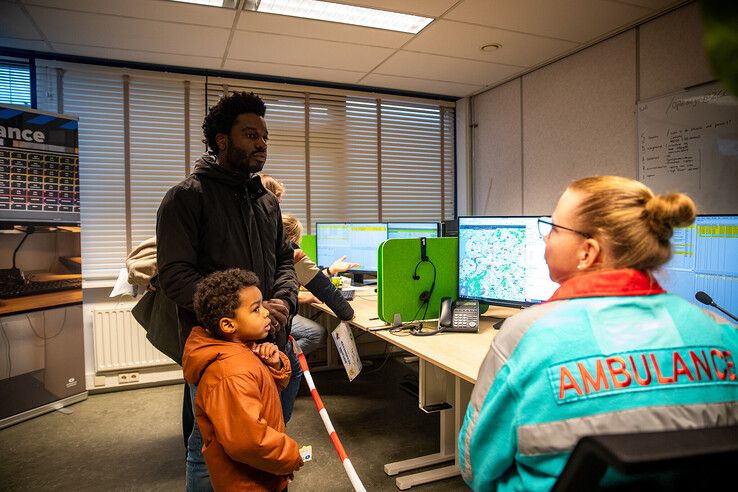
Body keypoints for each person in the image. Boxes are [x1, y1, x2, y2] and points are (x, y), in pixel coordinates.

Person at [458, 175, 738, 492]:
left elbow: (475, 466)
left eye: (553, 228)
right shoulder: (723, 333)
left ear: (587, 252)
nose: (546, 239)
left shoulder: (524, 336)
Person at [156, 91, 299, 491]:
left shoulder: (267, 203)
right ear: (222, 140)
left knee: (267, 433)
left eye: (265, 136)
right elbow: (175, 275)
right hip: (220, 350)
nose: (261, 144)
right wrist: (239, 313)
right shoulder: (186, 197)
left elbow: (285, 263)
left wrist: (282, 303)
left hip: (271, 341)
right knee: (211, 448)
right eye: (250, 134)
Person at [183, 268, 303, 492]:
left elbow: (264, 391)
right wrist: (290, 455)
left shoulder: (243, 350)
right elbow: (248, 442)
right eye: (256, 309)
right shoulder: (231, 372)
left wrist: (274, 365)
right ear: (229, 325)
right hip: (249, 482)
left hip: (263, 471)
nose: (267, 313)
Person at [281, 213, 355, 355]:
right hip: (278, 318)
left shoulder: (265, 250)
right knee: (317, 333)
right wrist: (348, 314)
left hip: (260, 314)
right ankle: (283, 361)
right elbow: (325, 289)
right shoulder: (293, 253)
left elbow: (303, 279)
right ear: (293, 238)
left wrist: (330, 270)